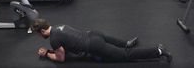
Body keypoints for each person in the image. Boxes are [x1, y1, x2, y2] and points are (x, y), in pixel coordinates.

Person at [31, 18, 172, 63]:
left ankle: (159, 51)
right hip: (94, 34)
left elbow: (60, 58)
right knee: (122, 46)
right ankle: (126, 43)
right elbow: (69, 41)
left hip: (94, 45)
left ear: (42, 31)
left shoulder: (54, 40)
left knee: (125, 56)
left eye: (39, 34)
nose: (40, 36)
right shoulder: (59, 26)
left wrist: (47, 54)